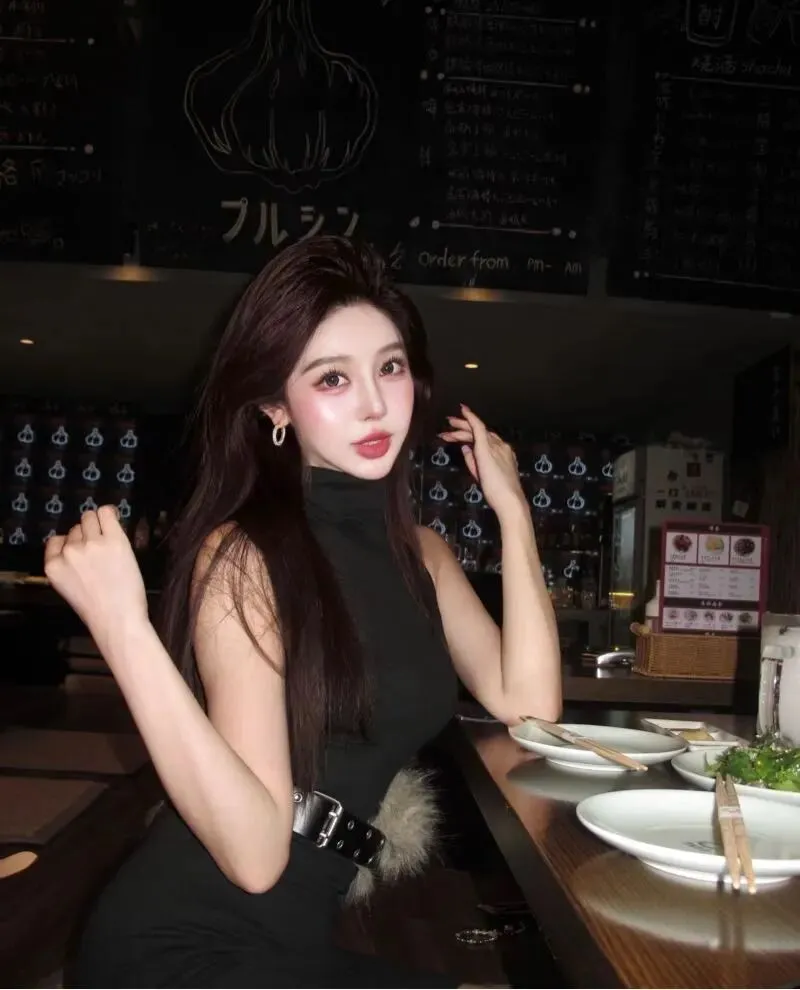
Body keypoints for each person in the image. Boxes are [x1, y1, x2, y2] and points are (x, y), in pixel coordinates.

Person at [44, 236, 561, 988]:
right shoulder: (247, 553)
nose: (374, 403)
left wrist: (514, 512)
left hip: (291, 942)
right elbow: (256, 859)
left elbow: (531, 704)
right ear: (275, 405)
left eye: (390, 367)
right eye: (332, 378)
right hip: (183, 950)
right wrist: (123, 627)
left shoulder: (423, 554)